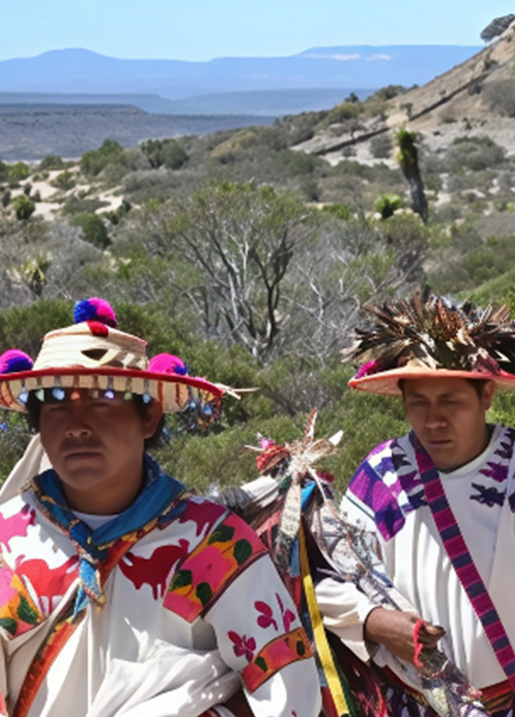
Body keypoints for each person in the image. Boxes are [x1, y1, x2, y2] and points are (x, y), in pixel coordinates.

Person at [0, 299, 320, 717]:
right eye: (57, 403)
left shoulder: (213, 543)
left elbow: (287, 682)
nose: (76, 425)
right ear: (38, 424)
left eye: (102, 399)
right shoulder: (8, 541)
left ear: (148, 417)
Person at [324, 292, 515, 717]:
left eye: (451, 401)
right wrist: (372, 621)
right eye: (418, 402)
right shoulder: (381, 477)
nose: (433, 420)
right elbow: (330, 576)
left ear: (486, 396)